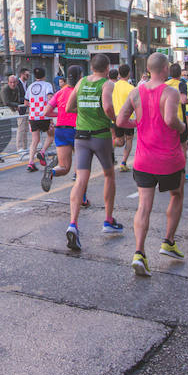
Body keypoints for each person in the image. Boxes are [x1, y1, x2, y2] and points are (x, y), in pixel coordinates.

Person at [116, 53, 186, 277]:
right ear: (165, 68)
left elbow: (120, 121)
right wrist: (182, 127)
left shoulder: (136, 92)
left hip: (143, 159)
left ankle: (139, 253)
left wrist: (137, 123)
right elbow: (169, 120)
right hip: (169, 159)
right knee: (176, 194)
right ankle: (168, 241)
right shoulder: (171, 92)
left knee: (144, 205)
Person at [64, 54, 121, 251]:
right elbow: (107, 107)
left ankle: (73, 223)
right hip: (100, 136)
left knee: (81, 180)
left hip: (80, 136)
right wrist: (115, 122)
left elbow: (69, 106)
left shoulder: (81, 82)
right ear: (107, 69)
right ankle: (108, 219)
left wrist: (84, 111)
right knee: (108, 175)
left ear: (91, 67)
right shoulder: (107, 84)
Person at [42, 65, 85, 195]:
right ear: (80, 77)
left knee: (64, 167)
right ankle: (82, 199)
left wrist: (59, 114)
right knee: (82, 168)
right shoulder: (81, 92)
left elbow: (46, 112)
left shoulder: (60, 92)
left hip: (60, 130)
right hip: (78, 130)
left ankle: (52, 171)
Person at [25, 67, 55, 172]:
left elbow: (26, 102)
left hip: (33, 116)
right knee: (51, 135)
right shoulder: (47, 85)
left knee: (34, 140)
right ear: (44, 75)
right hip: (44, 115)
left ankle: (30, 163)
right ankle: (42, 152)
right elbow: (50, 98)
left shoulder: (30, 86)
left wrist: (34, 106)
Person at [112, 64, 136, 172]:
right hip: (127, 118)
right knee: (129, 140)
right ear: (129, 73)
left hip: (115, 117)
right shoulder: (131, 88)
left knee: (119, 141)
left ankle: (110, 145)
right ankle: (123, 162)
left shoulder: (113, 86)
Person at [16, 68, 31, 157]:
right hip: (21, 109)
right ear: (22, 74)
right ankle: (20, 147)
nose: (28, 76)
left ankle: (25, 147)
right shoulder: (17, 83)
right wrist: (25, 101)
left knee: (25, 129)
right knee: (21, 129)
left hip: (26, 109)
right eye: (27, 75)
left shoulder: (26, 84)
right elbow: (17, 97)